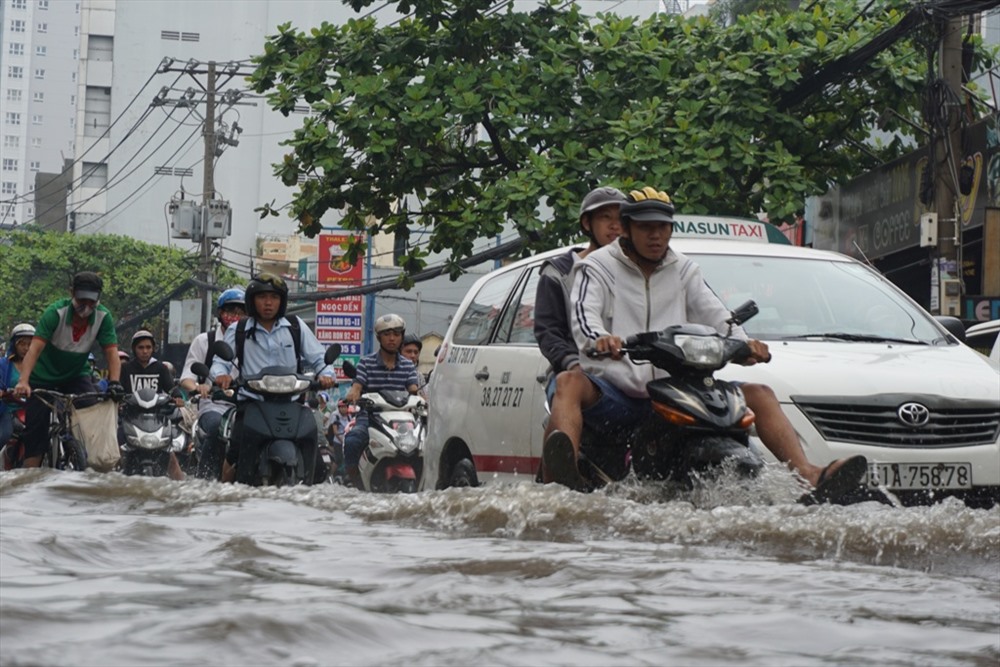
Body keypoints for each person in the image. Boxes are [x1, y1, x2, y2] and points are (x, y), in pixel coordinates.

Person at [547, 187, 867, 501]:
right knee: (569, 381)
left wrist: (745, 345)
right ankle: (568, 474)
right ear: (628, 229)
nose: (655, 235)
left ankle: (808, 475)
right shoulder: (597, 266)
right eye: (645, 227)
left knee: (761, 394)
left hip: (675, 389)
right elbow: (584, 317)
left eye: (662, 227)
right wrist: (600, 339)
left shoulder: (684, 269)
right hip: (618, 393)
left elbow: (718, 317)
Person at [534, 186, 625, 482]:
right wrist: (574, 363)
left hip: (630, 374)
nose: (615, 225)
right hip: (577, 372)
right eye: (605, 218)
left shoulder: (641, 270)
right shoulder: (559, 272)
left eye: (621, 218)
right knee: (568, 384)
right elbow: (548, 332)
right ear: (587, 223)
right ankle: (563, 473)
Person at [209, 273, 336, 483]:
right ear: (252, 300)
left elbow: (319, 358)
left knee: (319, 456)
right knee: (234, 453)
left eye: (274, 297)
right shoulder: (238, 330)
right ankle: (225, 496)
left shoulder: (296, 327)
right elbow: (220, 362)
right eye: (262, 297)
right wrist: (221, 375)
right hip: (252, 404)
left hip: (292, 403)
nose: (268, 303)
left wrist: (326, 375)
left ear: (282, 301)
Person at [12, 271, 123, 468]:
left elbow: (112, 353)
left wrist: (114, 383)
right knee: (36, 431)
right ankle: (30, 478)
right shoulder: (55, 313)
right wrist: (23, 381)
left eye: (92, 302)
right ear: (71, 292)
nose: (86, 307)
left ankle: (90, 463)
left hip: (75, 375)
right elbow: (34, 350)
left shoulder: (103, 317)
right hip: (42, 377)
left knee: (91, 410)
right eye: (81, 300)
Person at [342, 313, 420, 488]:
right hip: (370, 419)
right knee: (353, 440)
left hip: (402, 422)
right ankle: (355, 482)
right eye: (387, 334)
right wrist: (352, 394)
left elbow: (414, 392)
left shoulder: (408, 366)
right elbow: (357, 386)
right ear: (379, 337)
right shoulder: (366, 363)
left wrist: (424, 402)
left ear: (401, 337)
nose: (392, 338)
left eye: (396, 334)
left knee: (425, 445)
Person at [179, 287, 246, 480]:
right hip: (214, 406)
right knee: (219, 428)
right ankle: (206, 480)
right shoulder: (203, 341)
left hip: (246, 405)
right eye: (230, 311)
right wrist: (199, 387)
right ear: (220, 314)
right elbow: (186, 377)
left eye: (241, 312)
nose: (235, 316)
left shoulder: (252, 341)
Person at [0, 324, 35, 456]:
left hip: (33, 408)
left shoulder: (39, 366)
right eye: (22, 344)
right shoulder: (4, 364)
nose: (26, 348)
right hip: (9, 409)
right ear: (15, 344)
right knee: (4, 434)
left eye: (30, 344)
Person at [400, 332, 428, 397]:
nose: (413, 355)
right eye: (408, 351)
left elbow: (424, 399)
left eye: (416, 352)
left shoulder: (419, 376)